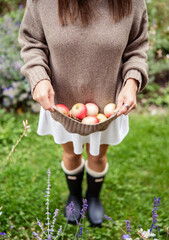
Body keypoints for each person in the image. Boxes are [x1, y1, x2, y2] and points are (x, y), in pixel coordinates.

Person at [18, 0, 149, 227]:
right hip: (63, 103)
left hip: (109, 103)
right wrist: (38, 77)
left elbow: (136, 47)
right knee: (71, 154)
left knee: (97, 155)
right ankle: (75, 195)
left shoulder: (132, 2)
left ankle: (94, 197)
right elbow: (32, 42)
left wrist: (132, 81)